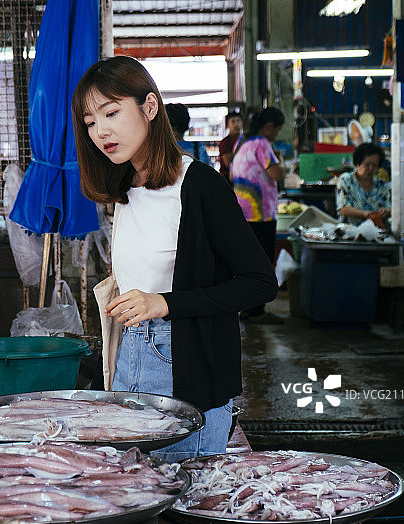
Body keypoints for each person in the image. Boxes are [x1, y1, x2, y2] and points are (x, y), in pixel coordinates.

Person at [72, 56, 277, 461]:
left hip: (184, 358)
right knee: (138, 485)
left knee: (185, 494)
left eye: (112, 112)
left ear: (150, 108)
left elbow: (259, 283)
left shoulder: (200, 185)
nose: (101, 131)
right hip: (131, 349)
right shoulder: (125, 185)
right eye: (91, 121)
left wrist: (164, 302)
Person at [230, 107, 285, 325]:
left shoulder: (241, 143)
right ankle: (257, 311)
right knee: (263, 262)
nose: (276, 135)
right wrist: (280, 163)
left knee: (247, 261)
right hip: (261, 213)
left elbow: (233, 173)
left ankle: (247, 307)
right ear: (269, 126)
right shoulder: (262, 143)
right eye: (277, 130)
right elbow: (276, 173)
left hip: (242, 212)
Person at [336, 142, 391, 227]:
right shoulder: (346, 180)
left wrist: (386, 211)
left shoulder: (381, 184)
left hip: (377, 233)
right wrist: (366, 214)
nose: (371, 168)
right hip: (351, 232)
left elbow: (389, 207)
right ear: (357, 163)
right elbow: (343, 208)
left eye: (375, 165)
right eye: (367, 164)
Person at [218, 111, 243, 182]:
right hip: (228, 180)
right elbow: (229, 164)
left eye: (238, 121)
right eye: (233, 121)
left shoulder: (245, 141)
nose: (236, 124)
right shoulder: (225, 143)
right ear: (227, 125)